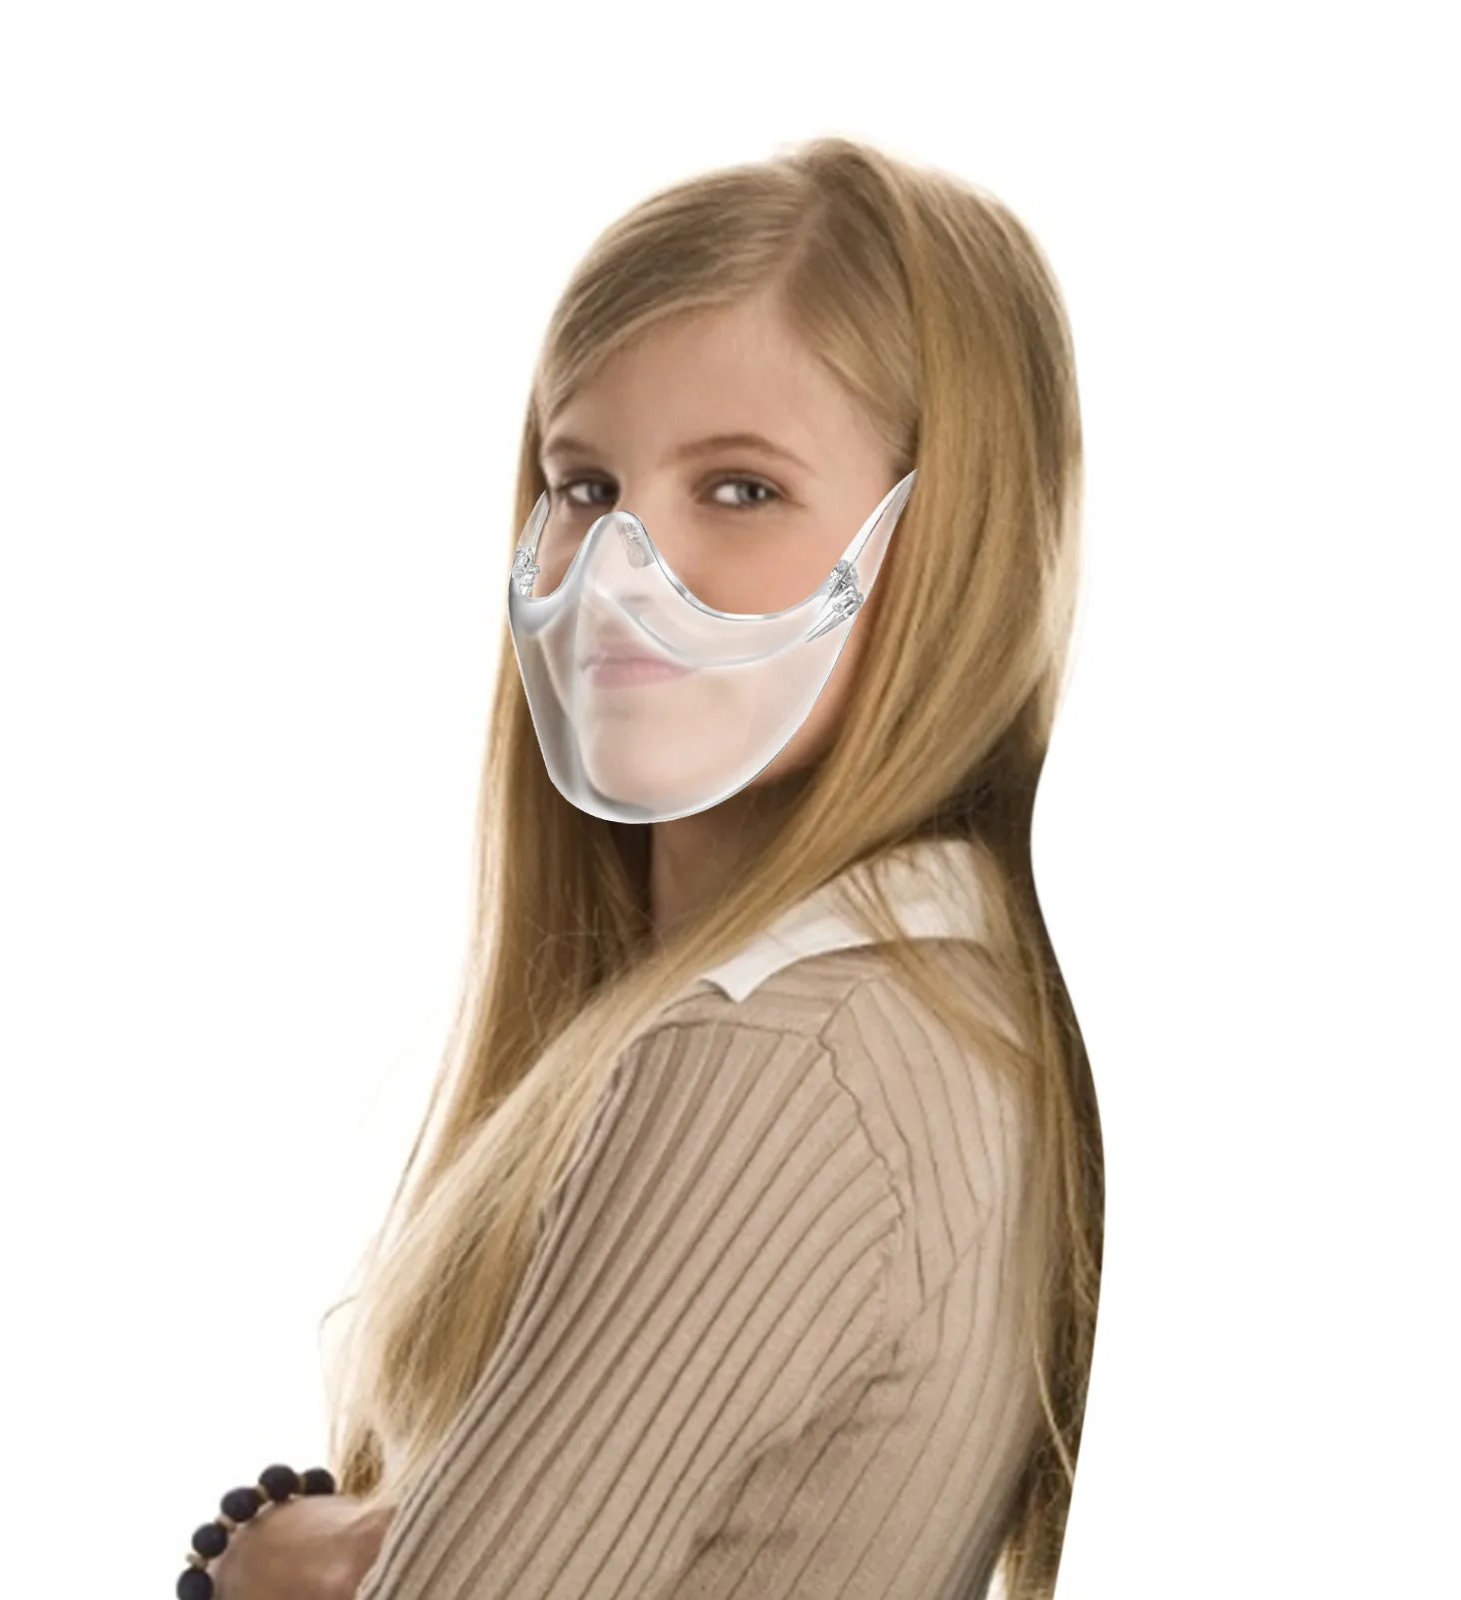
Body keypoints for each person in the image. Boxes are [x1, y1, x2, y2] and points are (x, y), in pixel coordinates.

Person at [209, 134, 1103, 1600]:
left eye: (740, 490)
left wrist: (251, 1574)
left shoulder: (780, 1057)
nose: (615, 572)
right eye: (582, 484)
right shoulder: (926, 998)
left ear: (950, 543)